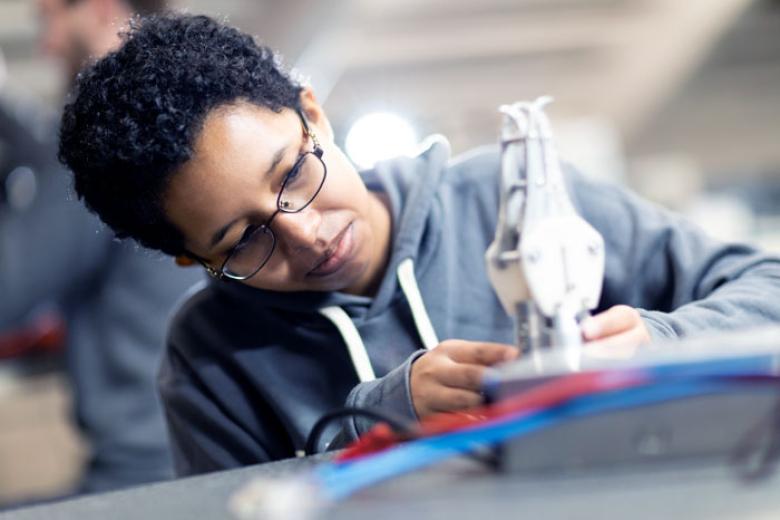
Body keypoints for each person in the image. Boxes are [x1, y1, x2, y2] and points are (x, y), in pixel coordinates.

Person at [57, 13, 780, 476]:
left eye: (294, 174)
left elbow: (768, 289)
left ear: (314, 113)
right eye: (243, 240)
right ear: (193, 259)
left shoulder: (510, 191)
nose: (305, 236)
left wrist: (662, 341)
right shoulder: (210, 356)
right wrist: (379, 425)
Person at [0, 0, 201, 494]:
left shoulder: (104, 142)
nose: (46, 43)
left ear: (98, 11)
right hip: (213, 449)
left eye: (51, 19)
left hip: (152, 470)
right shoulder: (189, 112)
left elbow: (7, 287)